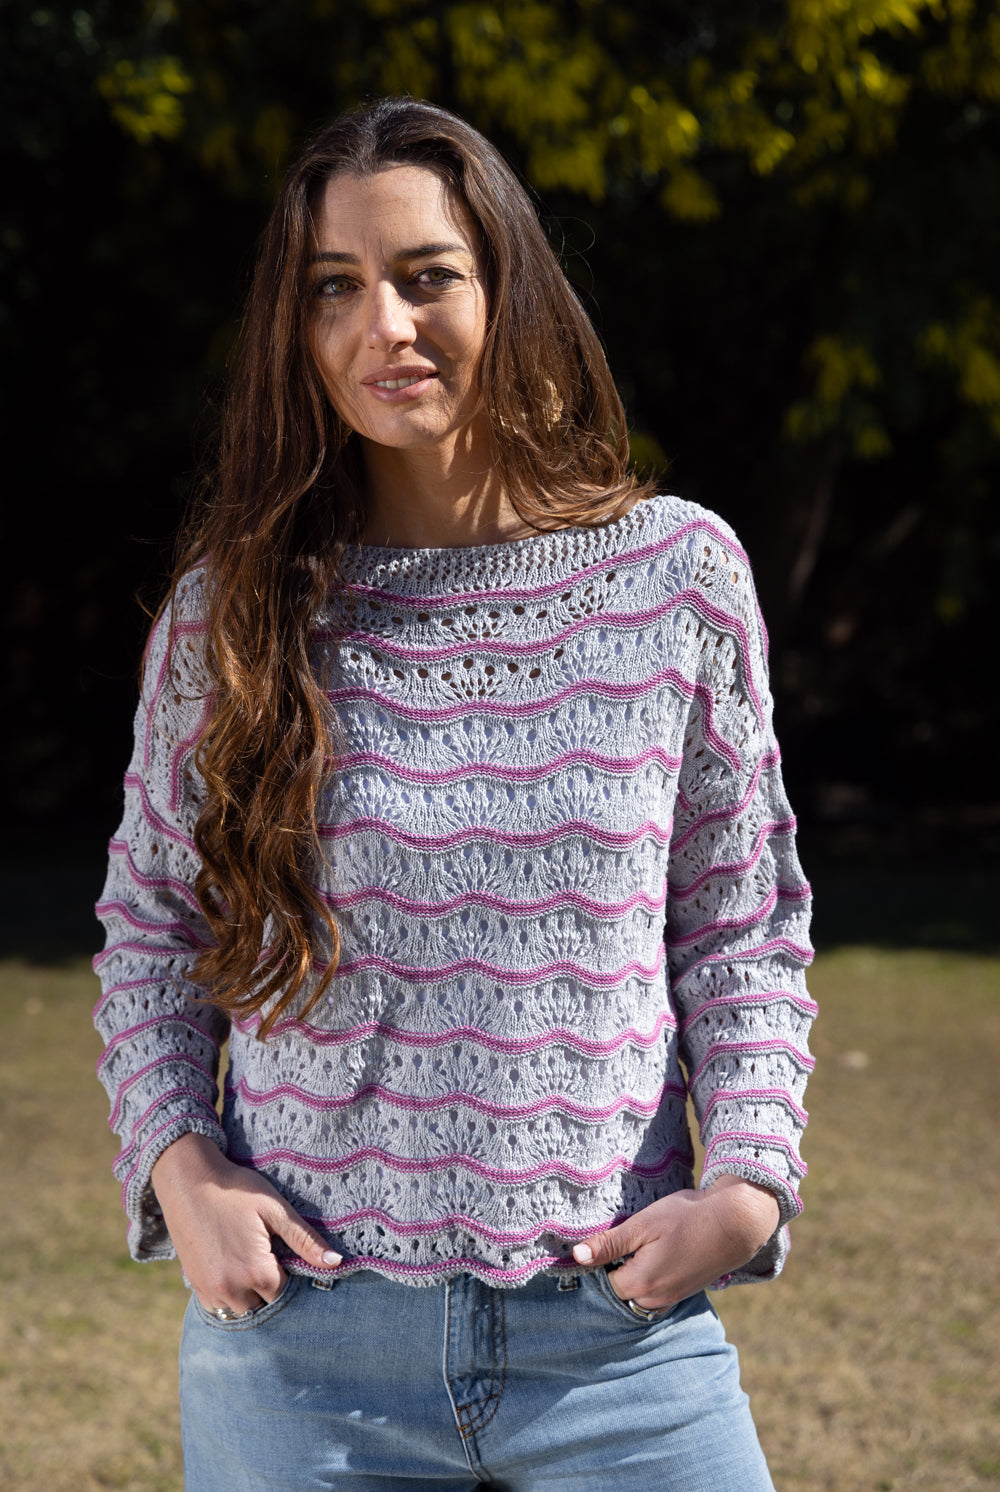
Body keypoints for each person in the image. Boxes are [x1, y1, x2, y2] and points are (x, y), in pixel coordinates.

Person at [94, 96, 815, 1492]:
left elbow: (741, 925)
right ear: (294, 326)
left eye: (428, 275)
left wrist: (746, 1184)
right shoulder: (231, 617)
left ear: (508, 290)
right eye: (335, 287)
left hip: (617, 1336)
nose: (386, 327)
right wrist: (182, 1166)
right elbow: (152, 934)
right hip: (305, 1349)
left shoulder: (677, 578)